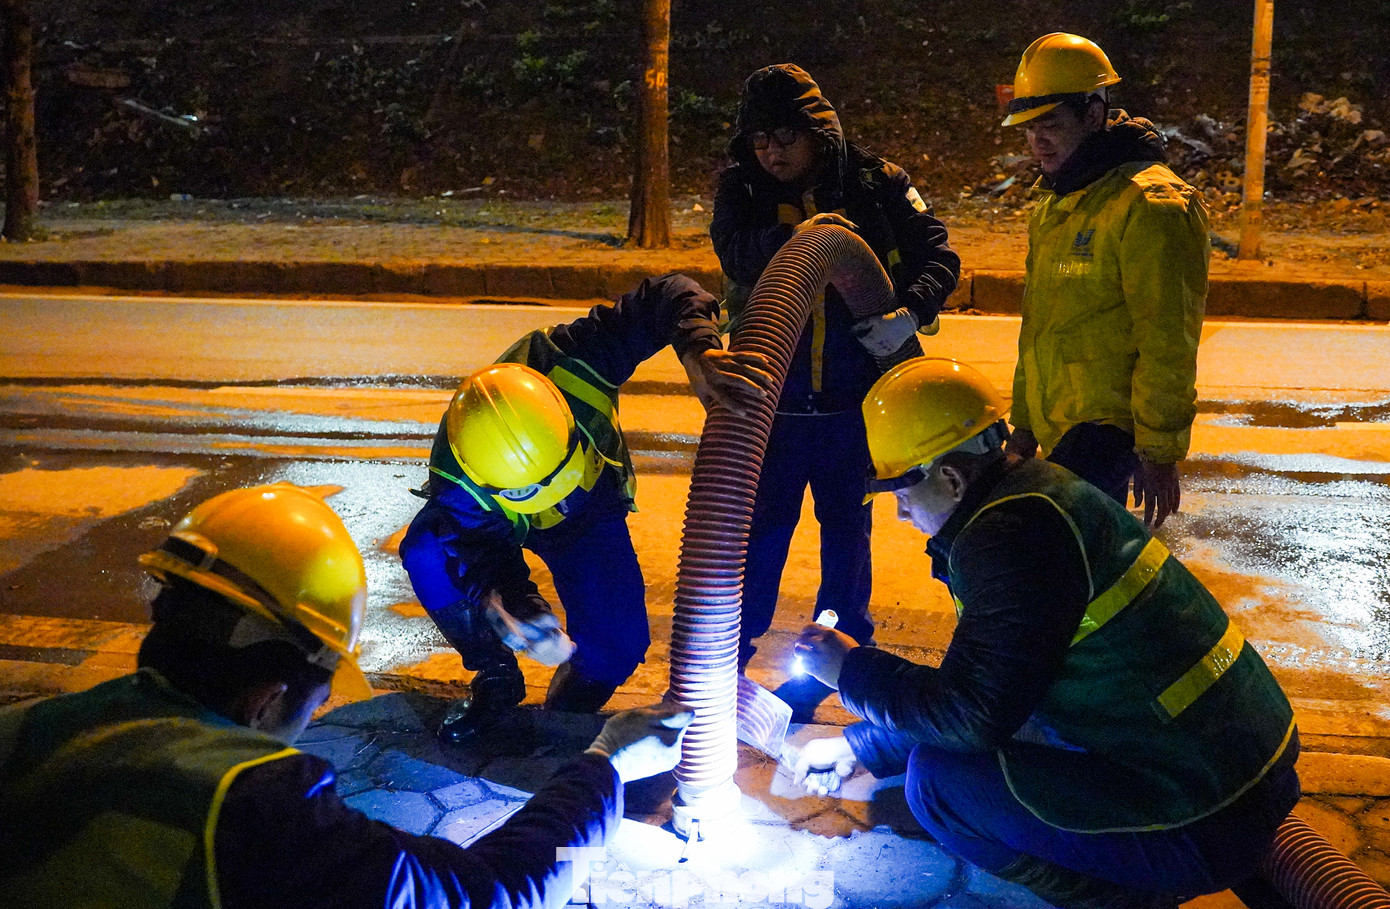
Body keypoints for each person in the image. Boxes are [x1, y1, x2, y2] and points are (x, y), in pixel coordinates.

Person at [0, 483, 693, 909]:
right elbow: (491, 892)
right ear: (270, 696)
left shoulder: (23, 729)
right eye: (318, 693)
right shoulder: (259, 809)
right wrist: (606, 764)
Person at [791, 358, 1299, 909]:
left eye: (901, 490)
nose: (900, 511)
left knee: (940, 786)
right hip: (1237, 770)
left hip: (1202, 814)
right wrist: (860, 743)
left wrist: (850, 671)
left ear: (952, 476)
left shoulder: (1008, 539)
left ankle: (1126, 899)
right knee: (989, 740)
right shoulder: (1037, 493)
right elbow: (1003, 687)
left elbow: (973, 717)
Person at [400, 273, 772, 743]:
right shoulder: (459, 472)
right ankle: (494, 673)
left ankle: (569, 706)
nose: (547, 499)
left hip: (587, 514)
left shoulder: (579, 358)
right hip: (493, 524)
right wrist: (505, 603)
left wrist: (700, 351)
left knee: (617, 646)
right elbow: (479, 553)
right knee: (427, 552)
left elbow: (669, 294)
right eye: (531, 491)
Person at [710, 63, 960, 717]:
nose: (772, 151)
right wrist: (792, 240)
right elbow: (734, 252)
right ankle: (722, 662)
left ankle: (832, 662)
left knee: (846, 534)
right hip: (774, 408)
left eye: (786, 135)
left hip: (854, 407)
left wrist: (910, 308)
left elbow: (938, 253)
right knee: (758, 535)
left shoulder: (878, 186)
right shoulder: (742, 190)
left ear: (819, 131)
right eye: (760, 139)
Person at [999, 33, 1210, 529]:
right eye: (1028, 128)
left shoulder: (1152, 205)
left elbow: (1167, 339)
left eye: (1049, 123)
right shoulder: (1058, 204)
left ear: (1093, 114)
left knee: (1051, 547)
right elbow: (1038, 329)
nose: (1036, 140)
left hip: (1110, 431)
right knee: (1067, 566)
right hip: (1063, 427)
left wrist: (1158, 449)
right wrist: (1025, 423)